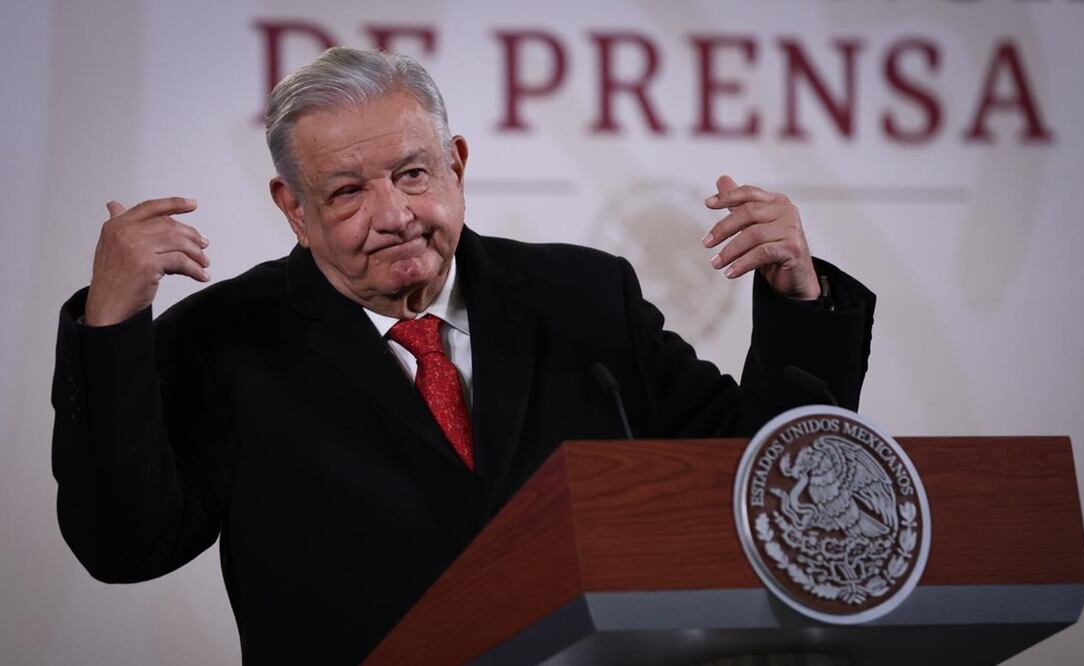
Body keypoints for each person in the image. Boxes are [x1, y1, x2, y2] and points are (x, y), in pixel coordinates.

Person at [51, 47, 874, 664]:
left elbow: (760, 485)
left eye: (414, 173)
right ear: (293, 209)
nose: (395, 214)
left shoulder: (584, 296)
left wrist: (800, 301)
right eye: (346, 192)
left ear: (457, 164)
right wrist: (112, 325)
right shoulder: (223, 340)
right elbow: (126, 544)